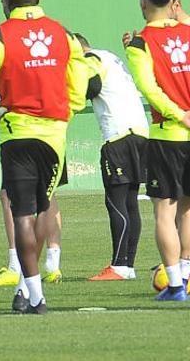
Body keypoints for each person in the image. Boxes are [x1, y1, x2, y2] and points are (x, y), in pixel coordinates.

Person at [0, 0, 87, 313]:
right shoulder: (63, 33)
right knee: (44, 206)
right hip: (54, 136)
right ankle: (25, 288)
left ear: (6, 1)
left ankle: (36, 295)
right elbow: (82, 73)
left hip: (17, 134)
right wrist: (70, 108)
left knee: (22, 214)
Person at [124, 0, 190, 300]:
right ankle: (188, 275)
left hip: (169, 136)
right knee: (188, 209)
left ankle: (176, 285)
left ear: (143, 2)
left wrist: (180, 115)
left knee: (164, 211)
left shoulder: (140, 44)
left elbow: (151, 90)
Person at [72, 33, 147, 281]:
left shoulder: (89, 59)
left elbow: (91, 87)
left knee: (115, 202)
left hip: (118, 137)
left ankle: (118, 266)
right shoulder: (110, 57)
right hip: (139, 133)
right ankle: (127, 266)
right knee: (130, 202)